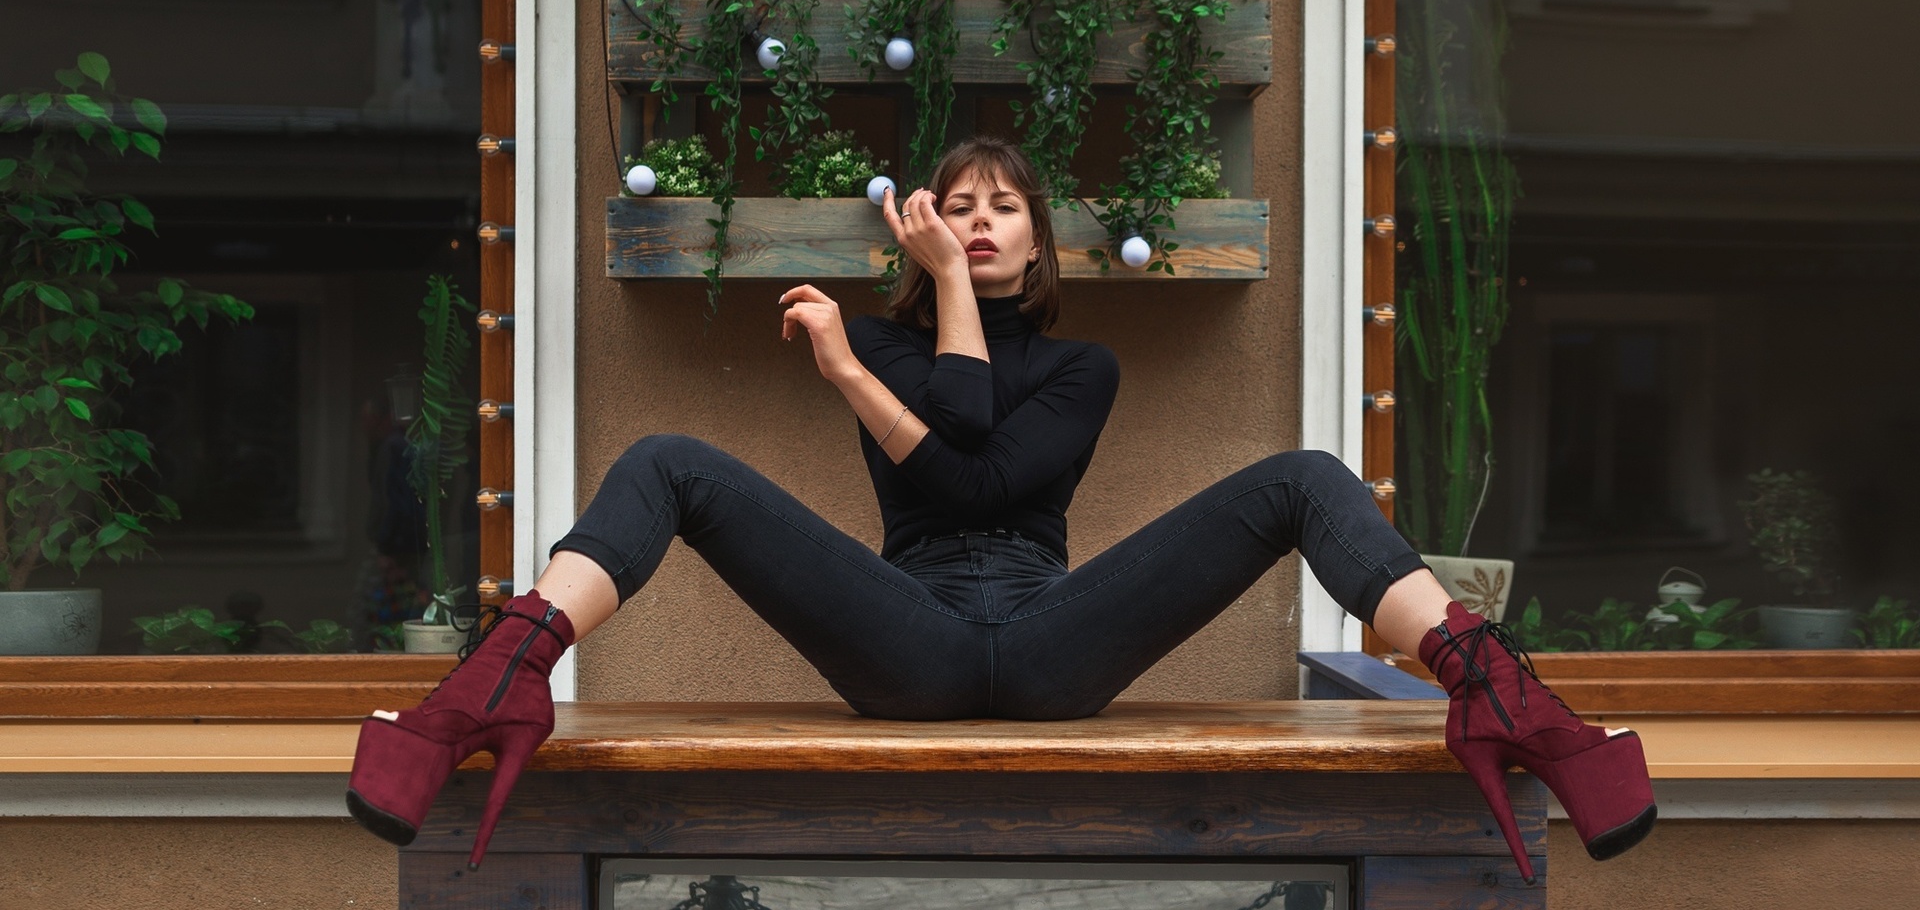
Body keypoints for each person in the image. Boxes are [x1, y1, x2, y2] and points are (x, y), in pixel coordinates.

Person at [344, 137, 1655, 881]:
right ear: (926, 233)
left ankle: (1508, 700)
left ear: (1041, 242)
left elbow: (982, 475)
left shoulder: (1083, 367)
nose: (977, 222)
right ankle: (499, 680)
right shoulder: (903, 350)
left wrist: (851, 368)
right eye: (956, 207)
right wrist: (880, 356)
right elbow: (948, 458)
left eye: (1002, 207)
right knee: (672, 457)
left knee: (1307, 477)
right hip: (903, 643)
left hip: (1049, 644)